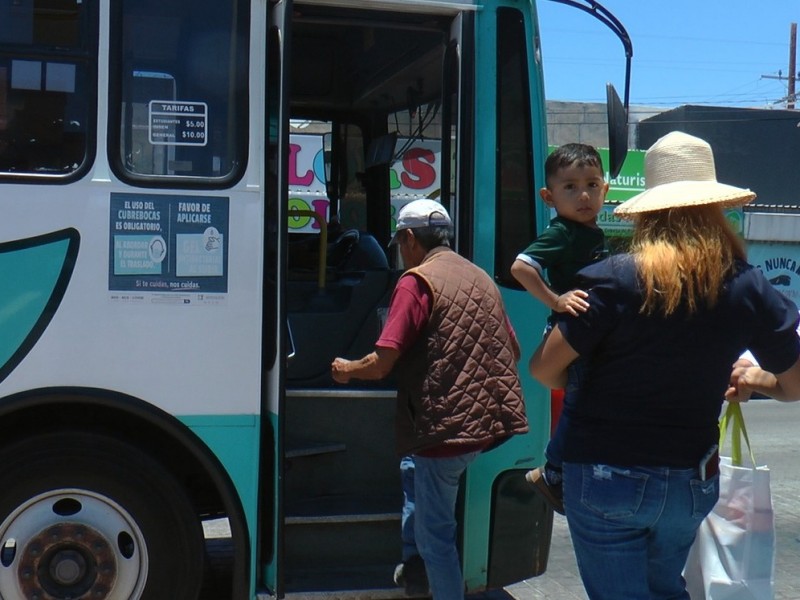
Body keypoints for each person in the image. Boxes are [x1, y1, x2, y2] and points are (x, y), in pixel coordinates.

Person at [527, 130, 800, 600]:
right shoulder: (748, 285)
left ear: (648, 210)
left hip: (605, 476)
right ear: (715, 206)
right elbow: (794, 385)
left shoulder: (615, 279)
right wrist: (755, 379)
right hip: (689, 480)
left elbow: (544, 371)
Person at [330, 198, 528, 599]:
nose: (401, 254)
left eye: (400, 245)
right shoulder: (479, 276)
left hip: (445, 432)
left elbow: (383, 362)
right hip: (486, 424)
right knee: (413, 473)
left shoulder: (416, 281)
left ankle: (433, 581)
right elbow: (515, 349)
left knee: (436, 535)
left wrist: (347, 369)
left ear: (408, 238)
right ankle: (414, 571)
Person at [510, 143, 609, 515]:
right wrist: (556, 300)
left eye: (591, 184)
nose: (583, 195)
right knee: (580, 401)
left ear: (605, 189)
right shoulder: (563, 232)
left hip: (589, 330)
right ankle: (553, 471)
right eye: (570, 187)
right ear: (548, 197)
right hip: (572, 330)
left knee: (588, 400)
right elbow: (521, 267)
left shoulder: (589, 231)